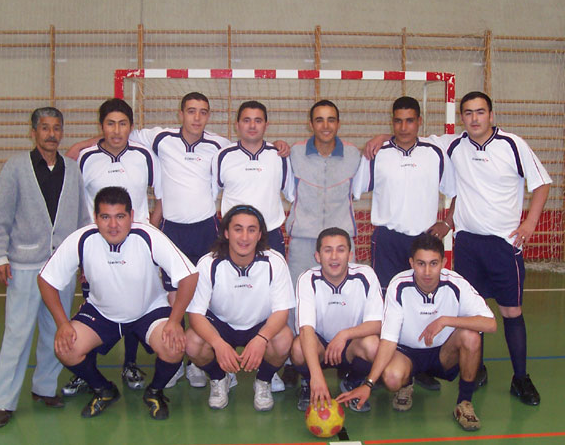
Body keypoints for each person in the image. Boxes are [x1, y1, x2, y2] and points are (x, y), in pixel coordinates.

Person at [67, 93, 288, 390]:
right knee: (175, 299)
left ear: (209, 116)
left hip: (208, 227)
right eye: (191, 111)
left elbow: (250, 145)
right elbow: (121, 132)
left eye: (203, 112)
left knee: (207, 296)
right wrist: (84, 144)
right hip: (172, 229)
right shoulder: (160, 139)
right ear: (181, 113)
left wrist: (284, 146)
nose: (196, 118)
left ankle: (205, 362)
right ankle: (180, 361)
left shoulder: (220, 146)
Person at [365, 91, 551, 405]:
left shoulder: (513, 145)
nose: (474, 118)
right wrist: (450, 221)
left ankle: (521, 378)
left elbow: (542, 184)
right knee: (468, 312)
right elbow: (410, 136)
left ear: (491, 115)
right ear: (462, 117)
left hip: (505, 243)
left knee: (510, 312)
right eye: (468, 113)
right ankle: (475, 368)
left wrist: (529, 224)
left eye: (480, 112)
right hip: (467, 242)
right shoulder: (452, 144)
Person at [37, 187, 198, 420]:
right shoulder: (83, 238)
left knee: (174, 345)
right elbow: (46, 280)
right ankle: (103, 390)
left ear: (131, 216)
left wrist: (174, 321)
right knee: (66, 348)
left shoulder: (148, 236)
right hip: (102, 312)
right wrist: (62, 324)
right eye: (105, 217)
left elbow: (189, 276)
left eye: (120, 216)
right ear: (96, 218)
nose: (113, 225)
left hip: (148, 310)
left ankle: (154, 392)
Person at [0, 107, 90, 427]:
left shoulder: (72, 170)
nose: (51, 134)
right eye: (45, 128)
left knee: (54, 332)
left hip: (60, 266)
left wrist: (85, 259)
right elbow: (0, 215)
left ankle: (45, 386)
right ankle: (3, 401)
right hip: (25, 264)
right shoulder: (16, 168)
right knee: (17, 333)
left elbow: (83, 219)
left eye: (56, 128)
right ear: (33, 131)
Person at [337, 234, 497, 431]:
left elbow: (491, 324)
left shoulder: (456, 284)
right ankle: (406, 384)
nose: (427, 271)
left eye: (434, 263)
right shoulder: (399, 286)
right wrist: (368, 384)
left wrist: (446, 320)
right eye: (421, 263)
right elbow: (388, 341)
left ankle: (464, 403)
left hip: (442, 353)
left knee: (471, 336)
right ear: (411, 262)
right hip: (407, 354)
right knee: (392, 377)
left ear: (444, 262)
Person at [61, 98, 164, 396]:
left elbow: (161, 197)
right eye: (110, 123)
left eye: (122, 124)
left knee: (135, 302)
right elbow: (77, 203)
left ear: (131, 127)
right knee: (94, 303)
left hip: (138, 246)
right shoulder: (86, 158)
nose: (116, 130)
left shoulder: (144, 156)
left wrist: (151, 231)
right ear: (101, 126)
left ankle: (130, 363)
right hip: (97, 247)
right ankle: (86, 367)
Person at [355, 96, 456, 391]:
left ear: (419, 122)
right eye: (397, 121)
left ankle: (420, 364)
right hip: (386, 238)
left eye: (410, 120)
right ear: (392, 122)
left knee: (422, 304)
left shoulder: (435, 153)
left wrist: (447, 222)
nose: (403, 126)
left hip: (423, 241)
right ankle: (391, 364)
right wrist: (372, 146)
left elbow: (455, 191)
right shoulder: (377, 152)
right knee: (389, 305)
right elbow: (358, 189)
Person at [283, 99, 363, 388]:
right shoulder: (293, 153)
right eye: (319, 120)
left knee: (344, 300)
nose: (325, 126)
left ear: (338, 124)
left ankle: (343, 358)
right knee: (297, 300)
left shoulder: (355, 155)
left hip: (340, 241)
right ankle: (297, 361)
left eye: (331, 120)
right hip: (304, 240)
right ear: (311, 123)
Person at [185, 205, 295, 411]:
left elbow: (282, 311)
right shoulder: (208, 263)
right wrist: (217, 343)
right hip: (222, 325)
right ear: (226, 233)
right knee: (192, 342)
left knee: (284, 339)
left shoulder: (275, 262)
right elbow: (195, 314)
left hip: (259, 325)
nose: (244, 237)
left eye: (251, 229)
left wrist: (262, 339)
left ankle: (263, 381)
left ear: (260, 234)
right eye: (238, 229)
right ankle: (220, 378)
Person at [291, 227, 382, 413]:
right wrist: (316, 376)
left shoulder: (366, 275)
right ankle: (309, 384)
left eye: (340, 250)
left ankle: (354, 382)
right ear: (317, 256)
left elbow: (378, 323)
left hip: (350, 347)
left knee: (373, 345)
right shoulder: (307, 279)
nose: (334, 256)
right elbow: (306, 329)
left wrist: (344, 334)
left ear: (350, 254)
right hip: (321, 348)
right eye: (327, 250)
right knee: (298, 348)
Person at [212, 101, 294, 256]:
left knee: (273, 280)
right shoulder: (222, 157)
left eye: (258, 121)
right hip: (234, 237)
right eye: (246, 120)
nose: (252, 126)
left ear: (266, 125)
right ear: (237, 125)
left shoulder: (279, 156)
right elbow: (211, 196)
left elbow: (291, 195)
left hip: (270, 235)